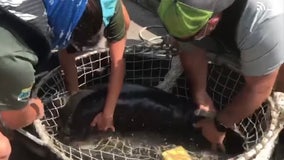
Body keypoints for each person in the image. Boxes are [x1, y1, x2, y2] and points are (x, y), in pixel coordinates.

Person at [0, 0, 130, 159]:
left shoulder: (55, 8)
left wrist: (107, 114)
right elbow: (13, 119)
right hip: (10, 59)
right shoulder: (18, 60)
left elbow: (118, 63)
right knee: (2, 149)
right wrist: (36, 109)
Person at [157, 0, 284, 151]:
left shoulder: (263, 25)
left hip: (272, 29)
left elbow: (259, 88)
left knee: (277, 79)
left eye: (195, 34)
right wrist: (200, 92)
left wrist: (220, 125)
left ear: (213, 21)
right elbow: (190, 46)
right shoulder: (182, 7)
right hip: (240, 26)